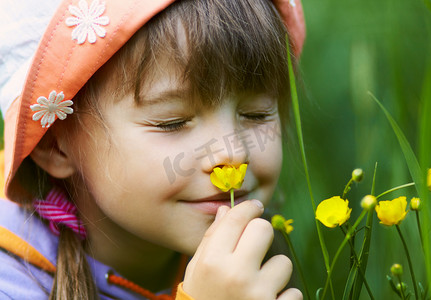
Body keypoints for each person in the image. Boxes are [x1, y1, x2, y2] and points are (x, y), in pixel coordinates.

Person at [0, 0, 306, 299]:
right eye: (172, 122)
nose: (234, 154)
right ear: (55, 146)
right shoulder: (11, 285)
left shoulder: (260, 265)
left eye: (256, 114)